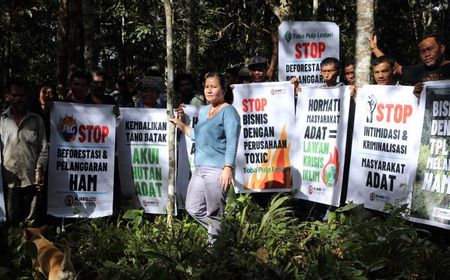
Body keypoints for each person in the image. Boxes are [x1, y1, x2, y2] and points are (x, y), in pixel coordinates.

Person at [169, 72, 241, 243]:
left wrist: (228, 168)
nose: (209, 90)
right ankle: (226, 234)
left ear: (223, 89)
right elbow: (197, 135)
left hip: (218, 170)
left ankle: (215, 251)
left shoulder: (229, 112)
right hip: (200, 168)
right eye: (207, 86)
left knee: (214, 212)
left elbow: (232, 141)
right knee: (192, 208)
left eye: (214, 86)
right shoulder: (204, 111)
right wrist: (180, 124)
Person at [0, 79, 48, 224]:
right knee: (9, 221)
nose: (18, 99)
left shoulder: (36, 120)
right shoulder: (1, 120)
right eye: (14, 95)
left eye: (21, 95)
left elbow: (43, 148)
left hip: (31, 180)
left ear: (26, 97)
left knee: (30, 222)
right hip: (8, 180)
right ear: (7, 97)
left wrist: (39, 172)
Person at [369, 33, 450, 94]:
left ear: (442, 48)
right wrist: (375, 49)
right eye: (422, 51)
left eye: (430, 49)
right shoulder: (418, 71)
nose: (426, 54)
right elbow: (392, 66)